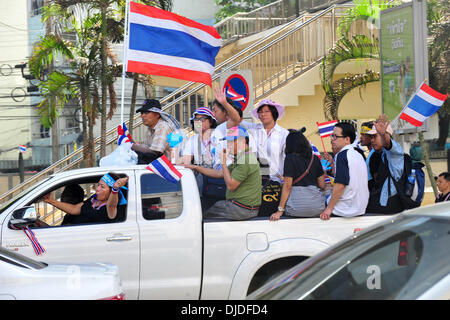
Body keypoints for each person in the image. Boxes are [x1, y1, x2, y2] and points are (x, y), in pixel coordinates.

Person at [188, 126, 261, 220]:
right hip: (241, 207)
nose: (228, 145)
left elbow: (231, 185)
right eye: (228, 141)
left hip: (241, 209)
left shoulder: (245, 160)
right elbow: (220, 173)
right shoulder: (243, 157)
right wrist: (196, 167)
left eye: (231, 141)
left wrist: (223, 162)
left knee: (200, 214)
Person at [244, 99, 289, 217]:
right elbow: (237, 121)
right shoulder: (254, 130)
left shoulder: (284, 133)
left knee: (270, 212)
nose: (262, 114)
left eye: (266, 111)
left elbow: (286, 157)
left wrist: (284, 177)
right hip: (256, 180)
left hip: (276, 181)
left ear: (273, 113)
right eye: (260, 112)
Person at [270, 128, 326, 220]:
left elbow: (287, 186)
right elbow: (322, 185)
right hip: (317, 208)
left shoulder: (290, 158)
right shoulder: (315, 159)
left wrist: (279, 211)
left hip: (295, 208)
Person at [319, 122, 369, 220]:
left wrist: (329, 209)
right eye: (332, 136)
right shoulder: (358, 155)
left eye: (335, 136)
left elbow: (340, 184)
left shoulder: (342, 155)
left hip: (344, 209)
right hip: (360, 208)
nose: (331, 139)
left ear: (347, 139)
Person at [42, 173, 129, 224]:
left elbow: (111, 205)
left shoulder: (112, 207)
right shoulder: (93, 199)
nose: (97, 189)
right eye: (98, 185)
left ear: (110, 192)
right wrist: (51, 201)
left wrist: (115, 189)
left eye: (102, 187)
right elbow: (75, 209)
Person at [365, 114, 407, 214]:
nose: (372, 140)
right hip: (383, 204)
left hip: (390, 205)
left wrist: (383, 135)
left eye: (375, 136)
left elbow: (388, 144)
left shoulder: (394, 152)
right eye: (371, 137)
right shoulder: (379, 154)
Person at [131, 99, 175, 164]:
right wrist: (134, 144)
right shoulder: (150, 129)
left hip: (173, 168)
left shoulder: (162, 127)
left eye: (146, 112)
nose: (143, 115)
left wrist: (133, 146)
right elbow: (147, 147)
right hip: (161, 166)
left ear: (157, 114)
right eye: (142, 113)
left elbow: (154, 153)